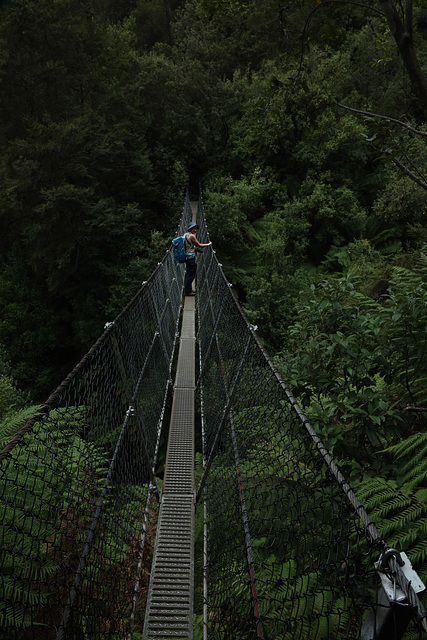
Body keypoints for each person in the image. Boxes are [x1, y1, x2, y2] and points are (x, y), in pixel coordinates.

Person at [184, 222, 212, 296]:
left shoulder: (185, 235)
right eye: (194, 229)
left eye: (196, 229)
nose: (195, 230)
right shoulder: (192, 236)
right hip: (191, 258)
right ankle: (187, 291)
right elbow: (199, 245)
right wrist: (208, 244)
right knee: (191, 275)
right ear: (190, 229)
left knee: (188, 274)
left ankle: (188, 289)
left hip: (187, 257)